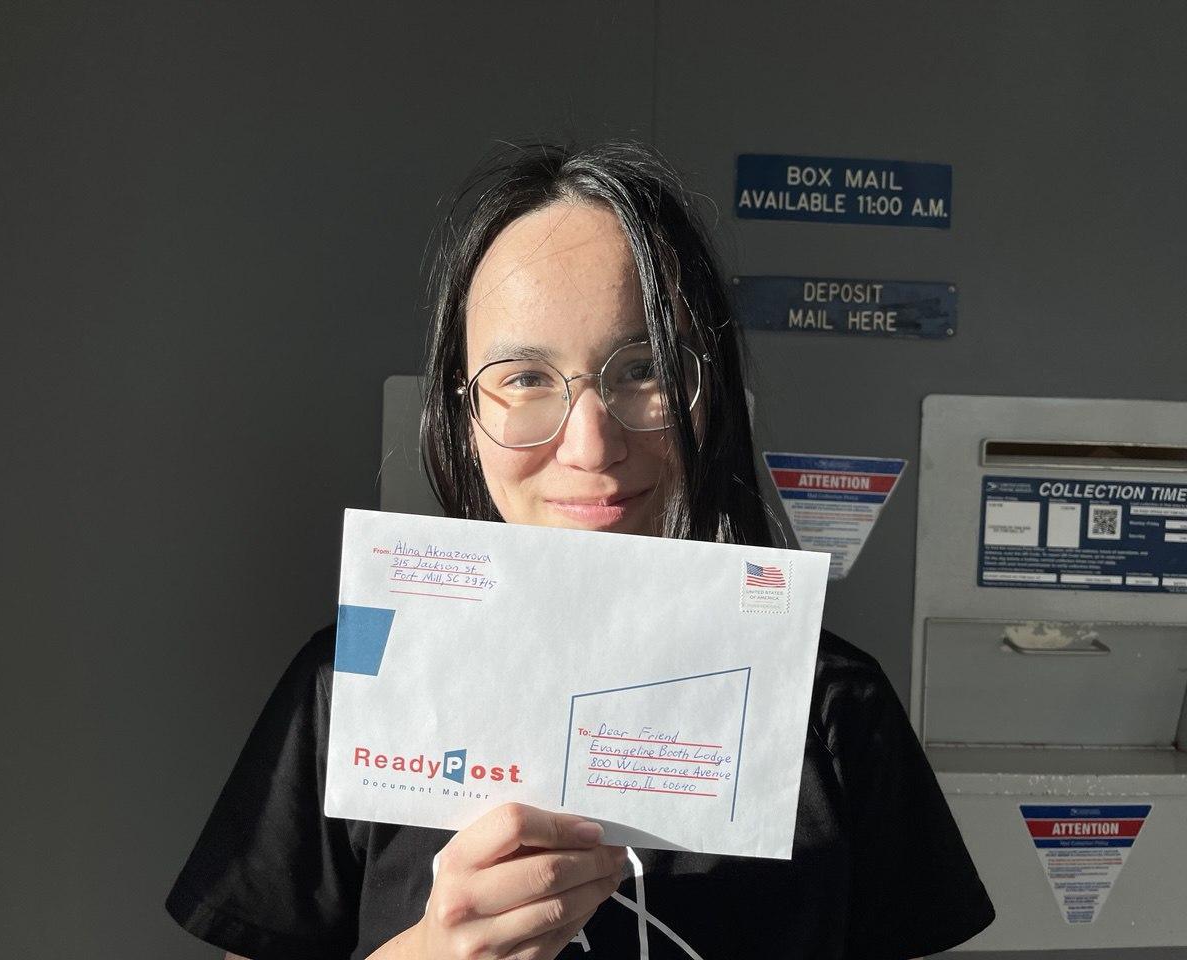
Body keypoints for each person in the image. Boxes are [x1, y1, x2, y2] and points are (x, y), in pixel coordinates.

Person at [166, 140, 995, 959]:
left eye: (644, 368)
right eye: (525, 378)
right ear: (463, 412)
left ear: (709, 393)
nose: (592, 445)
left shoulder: (832, 705)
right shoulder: (352, 682)